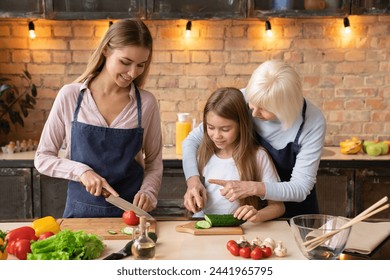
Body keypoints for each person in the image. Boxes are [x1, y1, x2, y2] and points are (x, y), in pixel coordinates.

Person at [34, 19, 163, 218]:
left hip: (130, 216)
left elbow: (154, 162)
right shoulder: (71, 96)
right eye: (125, 62)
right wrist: (81, 171)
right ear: (105, 50)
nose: (132, 73)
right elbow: (42, 158)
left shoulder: (146, 103)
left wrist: (149, 192)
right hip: (79, 214)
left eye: (141, 65)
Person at [183, 60, 326, 218]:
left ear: (285, 108)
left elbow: (300, 187)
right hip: (252, 212)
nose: (254, 114)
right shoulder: (246, 97)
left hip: (295, 209)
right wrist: (193, 181)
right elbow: (191, 141)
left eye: (264, 109)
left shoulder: (312, 122)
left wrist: (253, 188)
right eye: (252, 104)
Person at [185, 87, 285, 222]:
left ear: (241, 125)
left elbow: (278, 206)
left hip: (243, 232)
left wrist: (258, 215)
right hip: (207, 230)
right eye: (210, 127)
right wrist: (193, 203)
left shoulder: (258, 157)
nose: (216, 135)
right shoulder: (202, 155)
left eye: (225, 129)